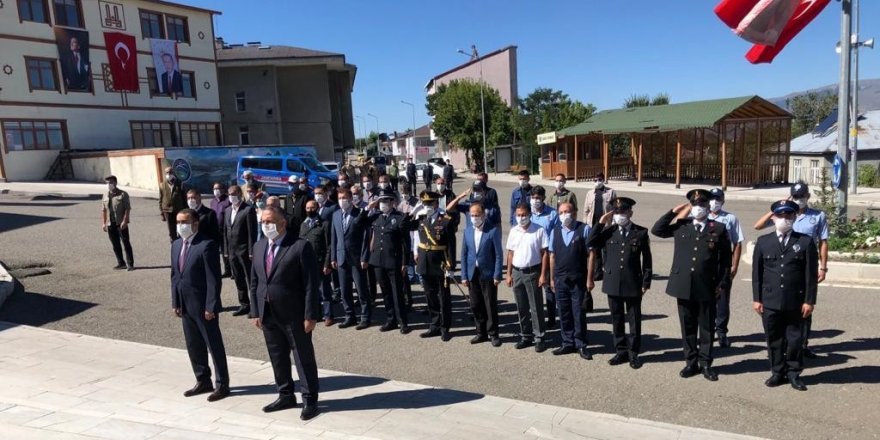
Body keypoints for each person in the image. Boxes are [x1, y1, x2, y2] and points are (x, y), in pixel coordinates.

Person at [651, 189, 731, 382]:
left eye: (702, 205)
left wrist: (721, 284)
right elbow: (657, 230)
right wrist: (674, 211)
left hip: (707, 286)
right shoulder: (681, 225)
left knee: (706, 328)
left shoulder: (718, 228)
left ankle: (705, 364)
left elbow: (725, 262)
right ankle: (690, 362)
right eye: (695, 205)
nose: (698, 208)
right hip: (683, 285)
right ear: (690, 206)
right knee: (687, 327)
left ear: (708, 207)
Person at [249, 206, 321, 420]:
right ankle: (285, 394)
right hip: (268, 313)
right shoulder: (260, 246)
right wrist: (255, 311)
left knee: (302, 357)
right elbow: (255, 282)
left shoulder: (300, 247)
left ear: (282, 223)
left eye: (270, 221)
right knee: (277, 356)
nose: (266, 225)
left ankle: (310, 399)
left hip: (294, 314)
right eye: (263, 222)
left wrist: (310, 315)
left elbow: (311, 284)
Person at [753, 181, 828, 359]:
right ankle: (785, 350)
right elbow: (758, 226)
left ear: (808, 196)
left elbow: (823, 242)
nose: (799, 199)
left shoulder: (817, 216)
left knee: (803, 311)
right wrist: (779, 207)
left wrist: (823, 266)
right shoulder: (783, 215)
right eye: (795, 196)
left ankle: (802, 345)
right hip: (783, 263)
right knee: (781, 316)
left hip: (803, 265)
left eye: (802, 196)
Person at [752, 200, 817, 391]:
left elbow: (810, 276)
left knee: (795, 340)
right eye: (780, 216)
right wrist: (757, 299)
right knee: (774, 338)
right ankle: (777, 372)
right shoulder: (764, 242)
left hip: (795, 301)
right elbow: (757, 274)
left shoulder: (804, 242)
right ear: (773, 218)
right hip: (770, 300)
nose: (784, 219)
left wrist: (809, 301)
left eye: (788, 215)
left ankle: (794, 373)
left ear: (795, 217)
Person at [171, 209, 229, 402]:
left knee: (213, 345)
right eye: (178, 222)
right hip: (185, 304)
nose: (180, 226)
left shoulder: (206, 245)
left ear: (195, 223)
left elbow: (214, 280)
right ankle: (203, 379)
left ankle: (222, 384)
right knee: (193, 345)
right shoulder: (176, 244)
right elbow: (175, 276)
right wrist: (175, 302)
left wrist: (211, 306)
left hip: (203, 306)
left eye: (184, 222)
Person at [588, 197, 652, 369]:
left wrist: (646, 281)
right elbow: (591, 242)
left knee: (634, 320)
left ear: (630, 212)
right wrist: (601, 223)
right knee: (616, 318)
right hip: (612, 282)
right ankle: (620, 351)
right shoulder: (609, 232)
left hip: (633, 282)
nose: (619, 215)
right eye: (616, 212)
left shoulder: (641, 232)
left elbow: (647, 260)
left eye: (623, 211)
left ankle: (634, 353)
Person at [364, 190, 418, 333]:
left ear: (392, 202)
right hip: (378, 261)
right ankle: (390, 319)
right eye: (381, 201)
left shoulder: (399, 218)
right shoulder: (375, 217)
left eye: (386, 201)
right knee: (386, 291)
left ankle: (403, 322)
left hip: (394, 261)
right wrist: (368, 208)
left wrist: (405, 262)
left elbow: (406, 243)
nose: (383, 204)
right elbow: (359, 222)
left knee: (397, 293)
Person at [548, 202, 592, 359]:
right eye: (561, 212)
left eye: (567, 211)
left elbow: (591, 255)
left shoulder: (584, 229)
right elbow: (552, 256)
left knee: (578, 312)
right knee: (564, 311)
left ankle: (580, 343)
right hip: (560, 279)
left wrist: (589, 278)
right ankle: (567, 342)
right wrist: (552, 278)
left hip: (578, 279)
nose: (564, 215)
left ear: (574, 213)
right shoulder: (555, 231)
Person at [415, 191, 459, 341]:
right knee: (430, 296)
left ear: (436, 204)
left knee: (443, 297)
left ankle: (445, 328)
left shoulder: (446, 221)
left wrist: (451, 267)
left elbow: (451, 245)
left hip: (440, 264)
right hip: (424, 263)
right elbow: (404, 226)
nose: (426, 206)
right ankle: (434, 325)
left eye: (429, 203)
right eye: (424, 203)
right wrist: (411, 213)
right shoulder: (420, 218)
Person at [459, 201, 504, 347]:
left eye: (477, 215)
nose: (474, 218)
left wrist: (497, 274)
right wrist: (464, 275)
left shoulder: (492, 231)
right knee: (475, 304)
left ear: (483, 215)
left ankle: (493, 334)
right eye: (472, 215)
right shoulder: (467, 231)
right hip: (473, 273)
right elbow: (464, 255)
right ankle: (480, 332)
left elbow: (498, 254)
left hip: (488, 274)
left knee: (490, 304)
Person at [506, 203, 550, 353]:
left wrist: (543, 274)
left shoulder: (539, 230)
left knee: (536, 307)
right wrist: (508, 273)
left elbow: (545, 253)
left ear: (529, 214)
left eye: (524, 215)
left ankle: (539, 337)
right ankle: (525, 335)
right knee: (521, 306)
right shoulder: (513, 231)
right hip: (517, 272)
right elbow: (510, 253)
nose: (521, 218)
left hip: (533, 272)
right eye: (518, 215)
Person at [706, 188, 745, 348]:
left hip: (723, 265)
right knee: (705, 299)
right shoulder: (701, 216)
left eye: (718, 198)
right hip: (706, 264)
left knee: (722, 301)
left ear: (723, 201)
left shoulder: (730, 218)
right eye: (712, 198)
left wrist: (734, 265)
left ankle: (721, 332)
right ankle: (706, 330)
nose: (715, 201)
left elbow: (737, 243)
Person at [330, 188, 373, 329]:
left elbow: (366, 238)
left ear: (350, 199)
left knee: (361, 289)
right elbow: (334, 237)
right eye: (340, 198)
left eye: (344, 197)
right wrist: (333, 257)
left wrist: (364, 257)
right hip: (341, 257)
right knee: (344, 290)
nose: (342, 200)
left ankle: (365, 317)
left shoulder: (358, 214)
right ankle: (350, 316)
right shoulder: (336, 215)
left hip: (356, 258)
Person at [223, 185, 256, 317]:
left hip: (245, 252)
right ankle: (244, 305)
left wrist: (251, 251)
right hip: (232, 252)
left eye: (234, 193)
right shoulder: (227, 211)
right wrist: (226, 250)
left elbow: (251, 233)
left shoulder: (248, 210)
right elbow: (226, 232)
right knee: (238, 279)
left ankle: (255, 307)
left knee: (250, 279)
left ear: (240, 194)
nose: (232, 196)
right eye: (230, 193)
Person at [529, 186, 560, 329]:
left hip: (547, 254)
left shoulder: (552, 214)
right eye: (533, 197)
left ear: (543, 198)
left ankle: (552, 317)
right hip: (532, 254)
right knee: (533, 288)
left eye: (538, 198)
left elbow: (557, 234)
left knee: (548, 287)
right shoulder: (527, 214)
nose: (535, 200)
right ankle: (536, 317)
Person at [299, 200, 334, 327]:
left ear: (317, 208)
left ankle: (328, 315)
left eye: (312, 207)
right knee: (312, 291)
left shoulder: (324, 224)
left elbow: (329, 245)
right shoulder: (303, 224)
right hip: (306, 263)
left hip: (320, 262)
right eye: (307, 208)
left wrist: (327, 264)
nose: (309, 210)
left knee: (325, 290)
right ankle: (317, 314)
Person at [583, 172, 616, 281]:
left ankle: (608, 270)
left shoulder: (611, 192)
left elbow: (615, 209)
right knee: (595, 250)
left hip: (606, 225)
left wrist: (614, 223)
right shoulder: (590, 193)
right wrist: (585, 225)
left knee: (606, 249)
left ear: (603, 180)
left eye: (600, 179)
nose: (598, 182)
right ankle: (598, 272)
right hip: (593, 225)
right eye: (596, 180)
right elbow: (586, 210)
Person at [101, 175, 134, 271]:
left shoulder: (123, 194)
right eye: (107, 183)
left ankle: (130, 264)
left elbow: (127, 209)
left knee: (126, 243)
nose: (109, 185)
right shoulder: (105, 195)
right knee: (115, 245)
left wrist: (125, 221)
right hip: (110, 224)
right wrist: (103, 223)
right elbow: (103, 210)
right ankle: (121, 263)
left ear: (115, 183)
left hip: (121, 223)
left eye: (111, 182)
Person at [159, 166, 187, 243]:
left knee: (181, 228)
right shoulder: (162, 185)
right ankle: (174, 243)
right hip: (167, 211)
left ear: (174, 173)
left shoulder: (180, 184)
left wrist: (186, 211)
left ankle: (182, 243)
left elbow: (185, 198)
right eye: (167, 172)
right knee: (171, 230)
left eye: (170, 172)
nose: (169, 174)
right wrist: (161, 213)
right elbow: (160, 199)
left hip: (179, 210)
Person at [210, 182, 232, 277]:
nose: (216, 191)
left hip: (226, 230)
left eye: (218, 188)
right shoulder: (213, 202)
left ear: (223, 189)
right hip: (215, 230)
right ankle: (227, 270)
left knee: (227, 251)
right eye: (214, 189)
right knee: (220, 252)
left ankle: (233, 270)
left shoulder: (228, 201)